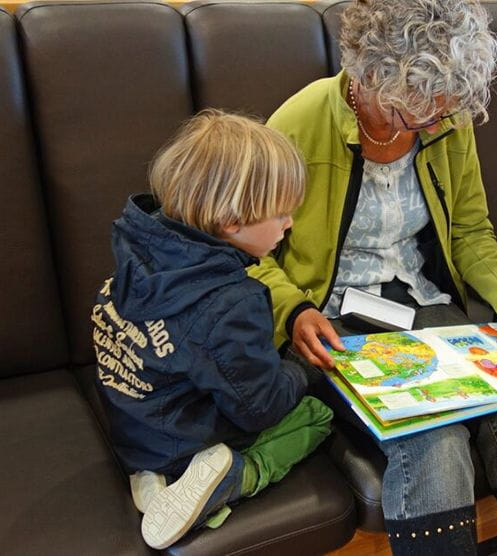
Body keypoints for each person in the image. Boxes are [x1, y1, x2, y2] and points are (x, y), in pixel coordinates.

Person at [252, 1, 497, 554]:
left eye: (447, 107)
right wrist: (293, 310)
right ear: (371, 77)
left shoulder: (445, 117)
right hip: (332, 316)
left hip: (423, 303)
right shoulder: (298, 124)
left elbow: (471, 234)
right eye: (419, 110)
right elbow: (247, 251)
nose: (437, 122)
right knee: (432, 433)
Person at [91, 109, 333, 550]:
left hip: (133, 427)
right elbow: (261, 407)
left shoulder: (139, 245)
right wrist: (303, 371)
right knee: (316, 417)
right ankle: (235, 476)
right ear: (231, 221)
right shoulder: (229, 304)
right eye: (281, 214)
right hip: (183, 434)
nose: (289, 224)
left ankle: (153, 476)